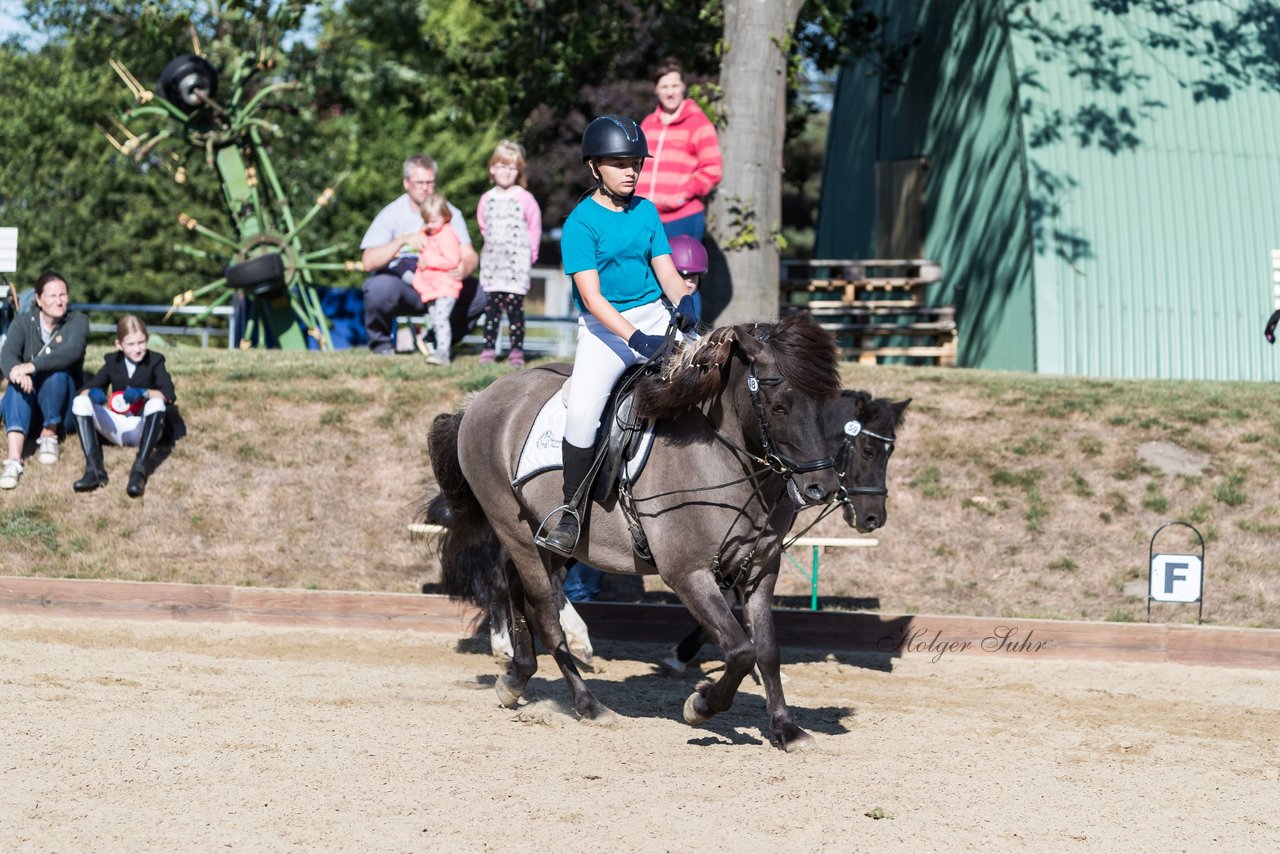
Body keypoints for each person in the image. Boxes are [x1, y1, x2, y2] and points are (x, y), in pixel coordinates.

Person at [536, 114, 697, 558]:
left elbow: (665, 267)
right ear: (594, 167)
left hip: (655, 315)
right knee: (584, 413)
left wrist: (683, 300)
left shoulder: (646, 211)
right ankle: (570, 510)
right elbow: (591, 297)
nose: (631, 170)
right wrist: (636, 339)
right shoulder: (580, 224)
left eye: (636, 163)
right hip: (606, 329)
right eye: (620, 162)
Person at [359, 154, 479, 355]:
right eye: (419, 182)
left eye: (430, 182)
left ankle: (435, 340)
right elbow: (368, 262)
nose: (425, 187)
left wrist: (464, 268)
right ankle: (382, 347)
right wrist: (402, 240)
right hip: (406, 287)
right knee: (377, 287)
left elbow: (470, 255)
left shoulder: (450, 214)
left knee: (481, 293)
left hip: (443, 285)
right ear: (406, 183)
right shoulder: (392, 213)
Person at [71, 315, 182, 497]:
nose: (138, 349)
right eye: (131, 344)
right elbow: (86, 389)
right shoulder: (112, 361)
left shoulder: (155, 361)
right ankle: (94, 470)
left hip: (143, 426)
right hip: (118, 425)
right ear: (119, 345)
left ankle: (139, 470)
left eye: (141, 342)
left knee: (156, 403)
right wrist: (92, 393)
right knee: (80, 402)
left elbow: (169, 395)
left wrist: (144, 393)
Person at [0, 270, 88, 490]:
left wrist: (31, 366)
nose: (59, 301)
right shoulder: (23, 321)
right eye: (52, 295)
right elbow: (8, 354)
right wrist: (16, 373)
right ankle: (13, 459)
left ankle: (49, 436)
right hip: (29, 404)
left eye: (63, 294)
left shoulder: (77, 321)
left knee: (57, 373)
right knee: (15, 385)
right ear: (38, 299)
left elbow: (71, 352)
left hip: (61, 409)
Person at [638, 57, 723, 241]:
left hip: (681, 219)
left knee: (675, 271)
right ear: (656, 89)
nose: (670, 93)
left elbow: (713, 168)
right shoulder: (647, 124)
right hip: (644, 219)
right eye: (664, 87)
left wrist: (682, 195)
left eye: (675, 86)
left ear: (684, 86)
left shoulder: (699, 124)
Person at [477, 140, 542, 368]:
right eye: (502, 166)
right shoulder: (486, 199)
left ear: (519, 171)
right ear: (492, 168)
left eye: (512, 167)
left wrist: (531, 254)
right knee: (492, 309)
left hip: (517, 264)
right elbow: (484, 226)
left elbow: (534, 227)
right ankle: (488, 348)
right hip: (494, 263)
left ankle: (516, 350)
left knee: (514, 310)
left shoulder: (525, 198)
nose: (506, 171)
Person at [411, 194, 463, 367]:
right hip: (433, 286)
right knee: (434, 319)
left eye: (433, 221)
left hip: (446, 286)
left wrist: (429, 262)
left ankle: (443, 353)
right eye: (426, 221)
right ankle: (432, 345)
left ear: (445, 216)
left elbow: (452, 260)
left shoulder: (447, 235)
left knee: (440, 319)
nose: (429, 225)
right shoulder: (428, 234)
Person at [668, 234, 709, 320]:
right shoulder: (655, 309)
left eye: (694, 274)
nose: (690, 279)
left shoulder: (692, 309)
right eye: (683, 275)